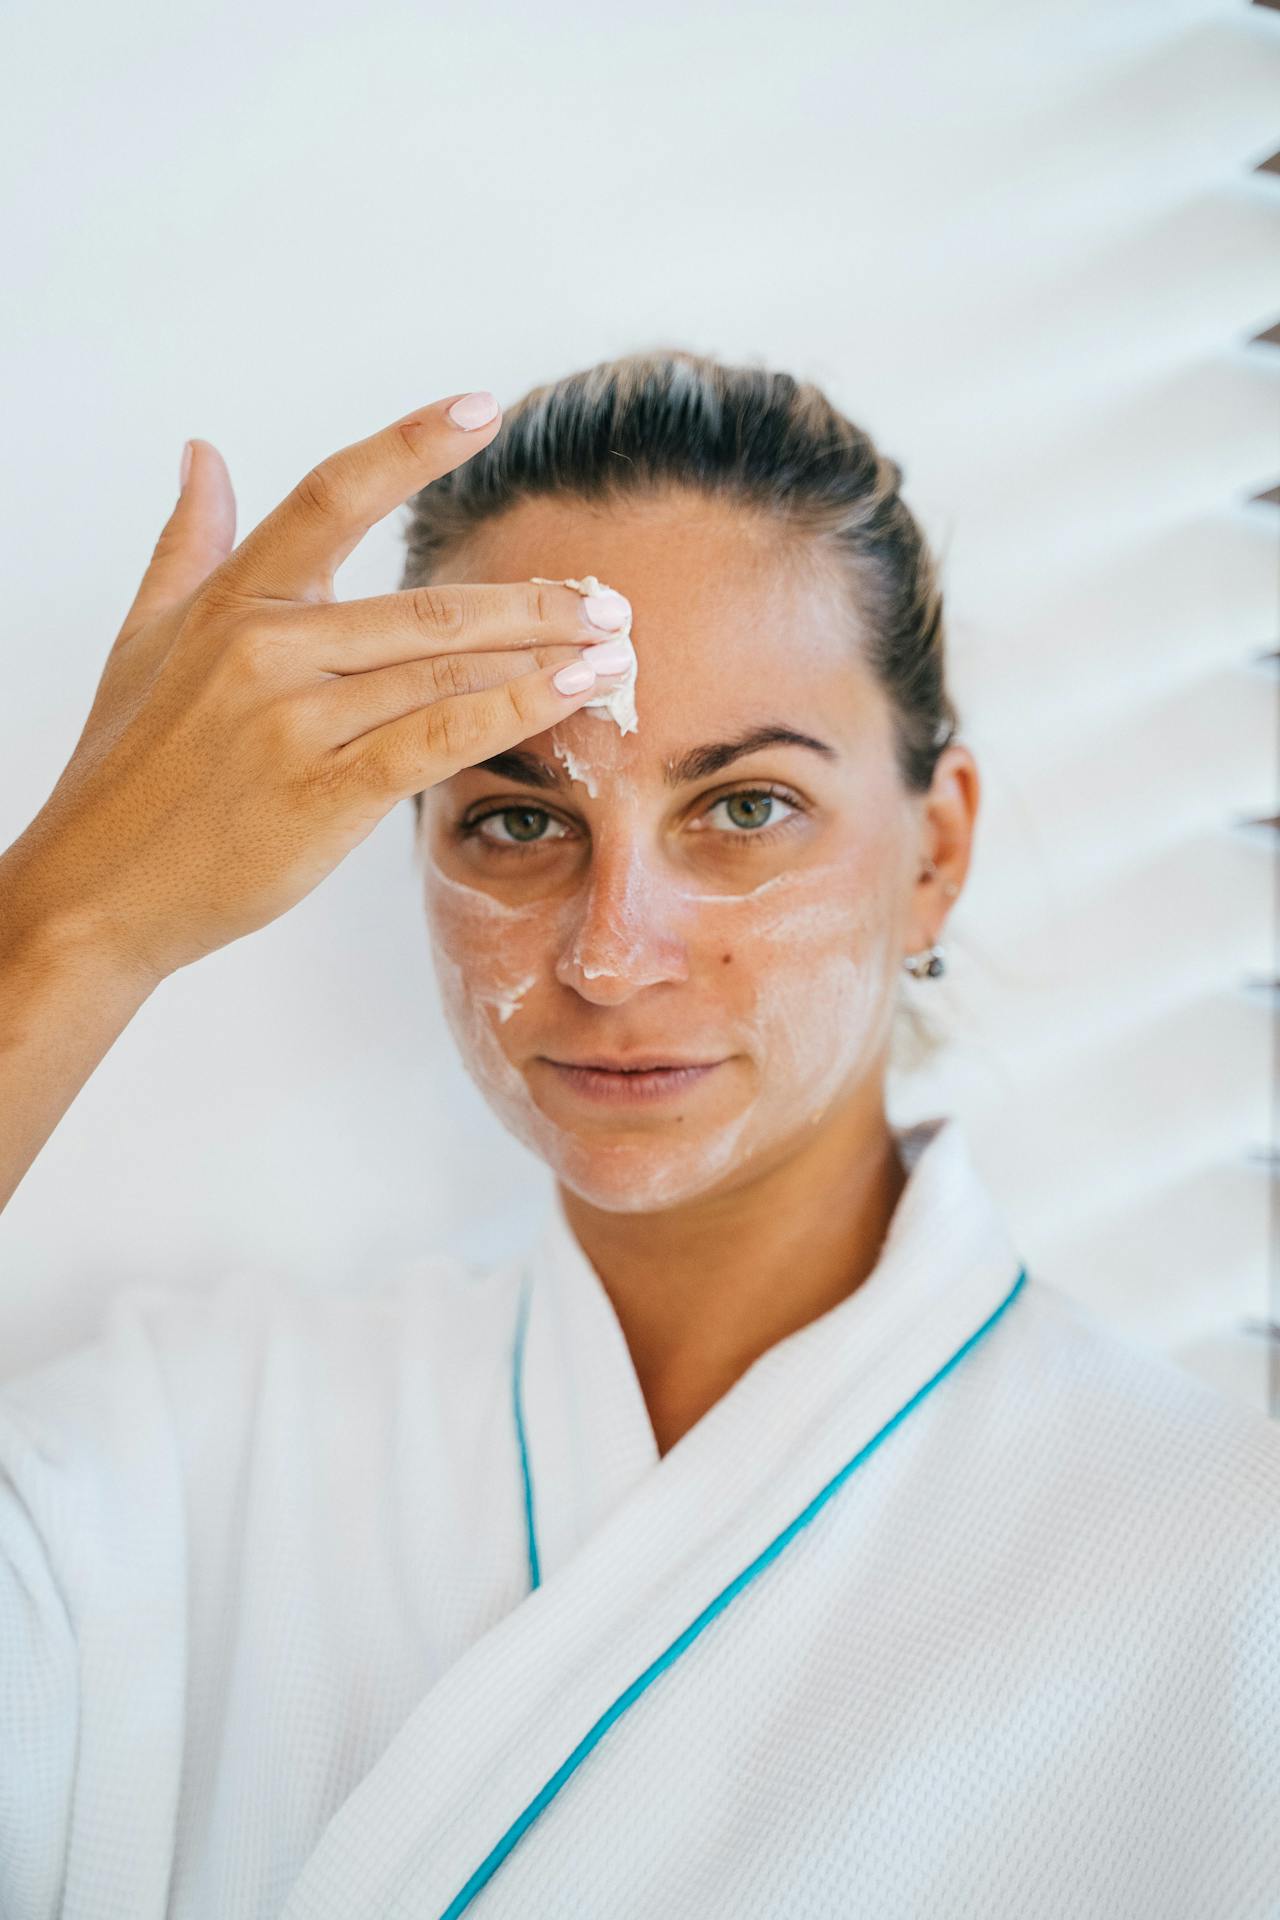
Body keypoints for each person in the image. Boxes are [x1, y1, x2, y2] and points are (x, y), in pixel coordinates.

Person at [0, 351, 1275, 1919]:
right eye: (519, 819)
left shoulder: (1226, 1569)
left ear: (933, 854)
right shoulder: (182, 1463)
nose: (611, 955)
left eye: (744, 809)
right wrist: (70, 925)